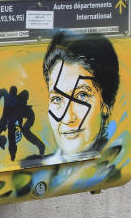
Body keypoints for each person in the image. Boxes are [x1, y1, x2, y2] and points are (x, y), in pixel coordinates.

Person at [41, 31, 120, 164]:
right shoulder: (34, 173)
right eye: (57, 99)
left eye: (81, 96)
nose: (67, 118)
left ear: (106, 104)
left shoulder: (118, 164)